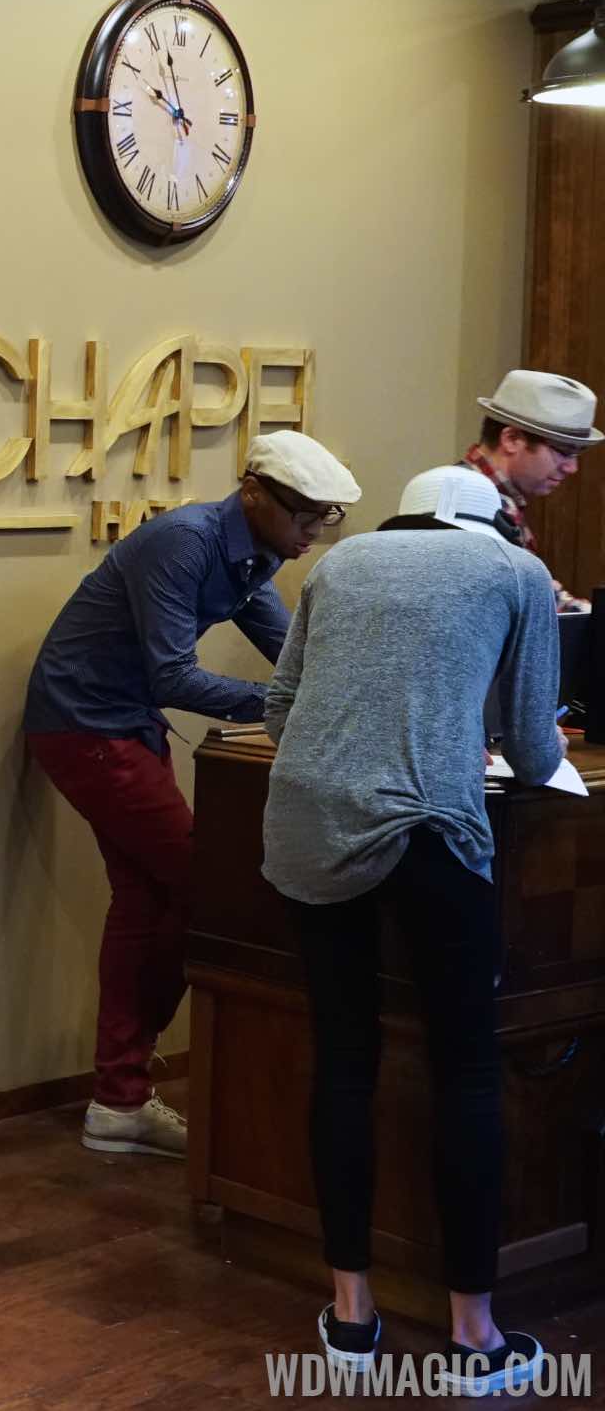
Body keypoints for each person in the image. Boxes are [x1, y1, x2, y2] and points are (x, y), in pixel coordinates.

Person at [263, 465, 561, 1395]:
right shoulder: (513, 573)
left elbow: (280, 709)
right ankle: (475, 1335)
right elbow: (535, 742)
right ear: (487, 526)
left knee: (343, 1057)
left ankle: (351, 1318)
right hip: (433, 822)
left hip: (308, 817)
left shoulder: (339, 565)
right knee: (467, 1065)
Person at [23, 430, 361, 1160]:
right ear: (253, 494)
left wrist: (349, 695)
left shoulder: (253, 551)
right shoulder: (184, 542)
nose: (312, 535)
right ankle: (126, 1091)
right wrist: (291, 707)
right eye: (305, 516)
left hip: (119, 725)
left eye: (325, 520)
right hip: (86, 725)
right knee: (206, 891)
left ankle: (118, 1102)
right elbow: (175, 678)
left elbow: (293, 654)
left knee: (149, 902)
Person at [461, 370, 599, 584]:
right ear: (511, 439)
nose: (572, 468)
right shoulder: (469, 504)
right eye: (564, 451)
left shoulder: (494, 498)